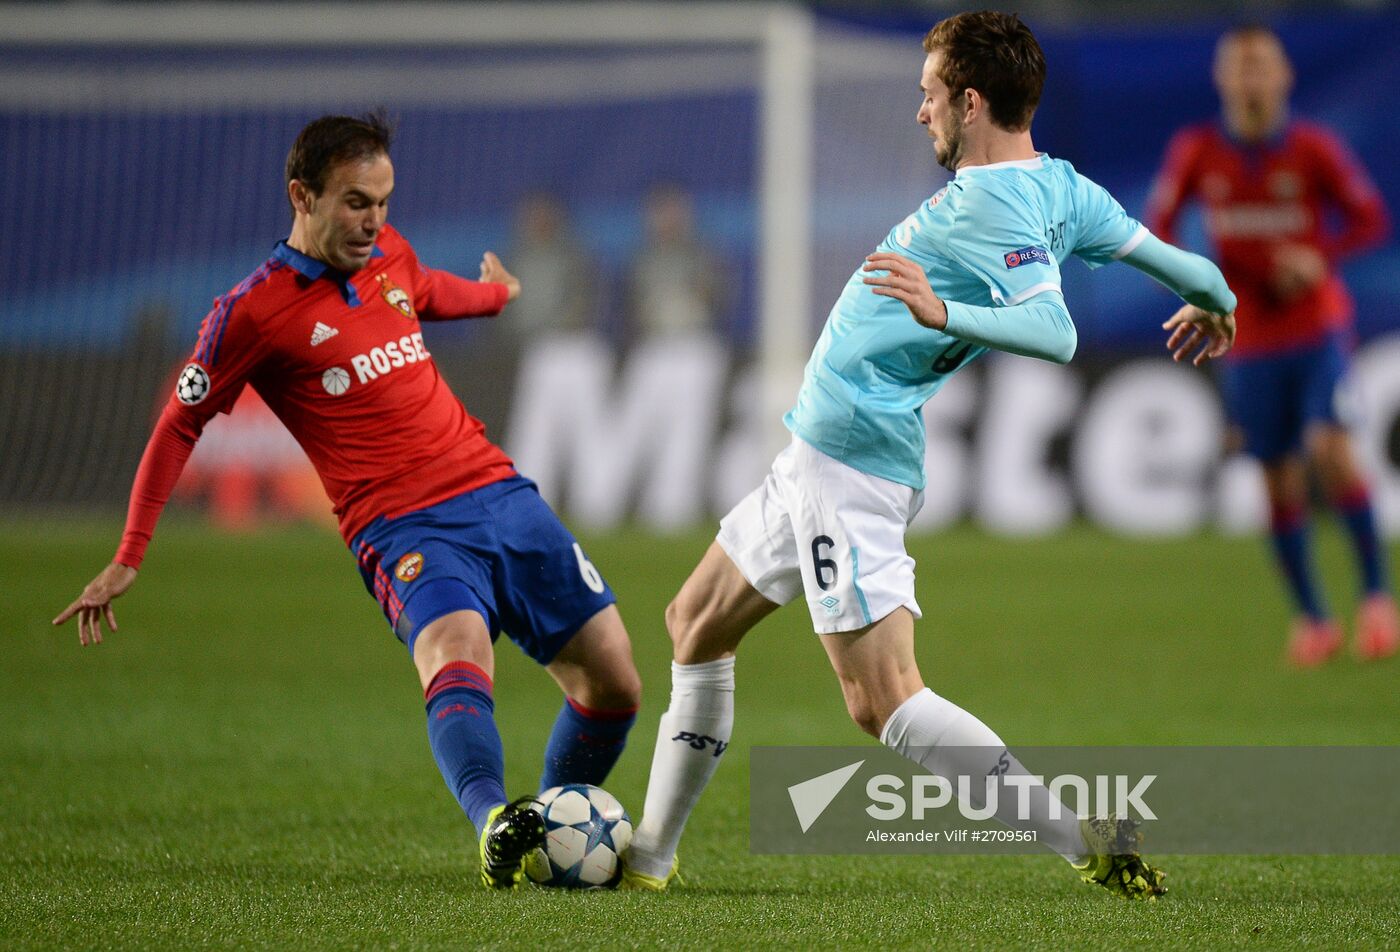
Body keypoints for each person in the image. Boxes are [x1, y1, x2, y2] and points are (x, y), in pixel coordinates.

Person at [621, 12, 1237, 900]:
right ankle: (648, 860)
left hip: (853, 458)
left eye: (930, 96)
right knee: (693, 624)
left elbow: (1054, 330)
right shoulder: (1063, 188)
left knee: (882, 699)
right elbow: (1195, 272)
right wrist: (1214, 302)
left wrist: (946, 314)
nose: (922, 114)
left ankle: (1082, 836)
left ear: (971, 101)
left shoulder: (995, 202)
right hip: (815, 451)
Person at [51, 114, 642, 890]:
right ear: (303, 194)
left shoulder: (388, 254)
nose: (374, 222)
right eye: (357, 202)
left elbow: (426, 290)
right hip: (400, 525)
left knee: (615, 684)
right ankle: (498, 823)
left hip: (498, 491)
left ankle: (558, 824)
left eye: (385, 203)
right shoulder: (251, 314)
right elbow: (177, 425)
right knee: (459, 648)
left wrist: (494, 297)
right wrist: (129, 555)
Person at [1147, 24, 1395, 667]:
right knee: (1277, 479)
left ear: (1284, 77)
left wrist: (1320, 257)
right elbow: (1160, 225)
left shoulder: (1314, 148)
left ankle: (1375, 601)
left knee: (1331, 448)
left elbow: (1370, 218)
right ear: (1223, 79)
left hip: (1316, 327)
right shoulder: (1197, 151)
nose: (1252, 78)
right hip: (1247, 337)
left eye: (1263, 66)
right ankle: (1313, 617)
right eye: (1241, 67)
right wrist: (1197, 284)